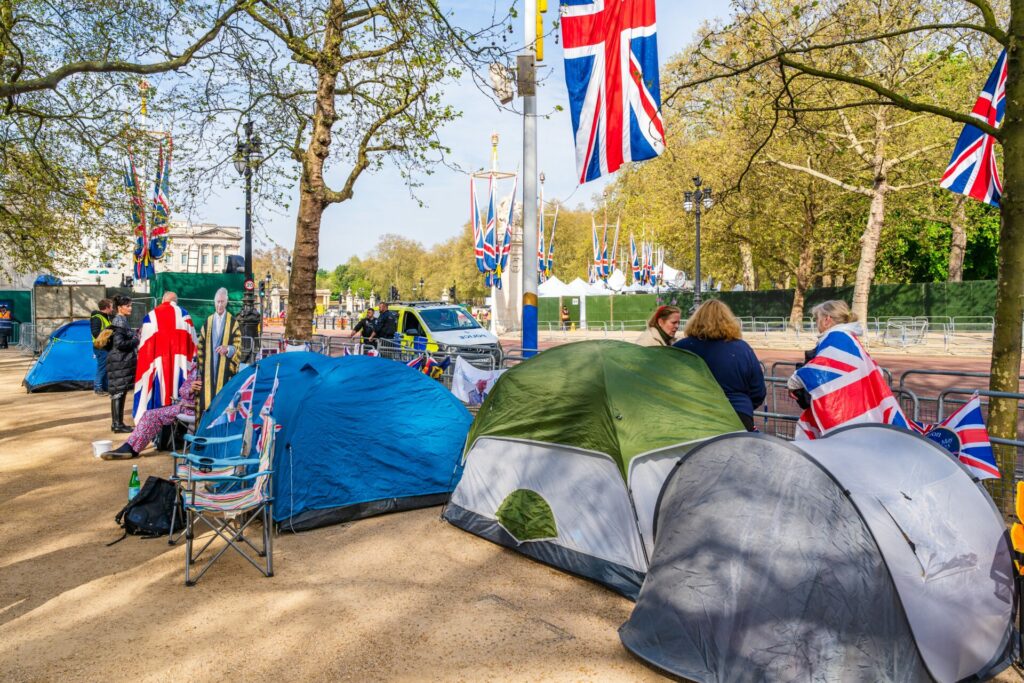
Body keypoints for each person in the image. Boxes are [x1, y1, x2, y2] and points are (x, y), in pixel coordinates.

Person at [786, 300, 905, 439]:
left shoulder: (836, 338)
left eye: (817, 319)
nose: (816, 323)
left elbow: (820, 369)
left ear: (827, 320)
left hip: (848, 408)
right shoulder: (848, 337)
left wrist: (794, 380)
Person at [674, 300, 766, 431]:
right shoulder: (742, 348)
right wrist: (744, 405)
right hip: (737, 413)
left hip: (694, 414)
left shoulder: (682, 347)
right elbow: (758, 391)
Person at [102, 361, 200, 460]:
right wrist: (191, 389)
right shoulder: (197, 368)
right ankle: (130, 447)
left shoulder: (213, 371)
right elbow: (182, 390)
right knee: (150, 415)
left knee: (151, 415)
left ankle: (131, 448)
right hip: (185, 406)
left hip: (196, 410)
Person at [133, 291, 197, 423]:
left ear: (163, 300)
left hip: (157, 364)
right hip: (180, 362)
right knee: (180, 389)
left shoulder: (151, 316)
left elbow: (144, 347)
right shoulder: (185, 315)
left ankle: (155, 421)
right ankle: (177, 422)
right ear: (176, 301)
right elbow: (193, 344)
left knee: (158, 390)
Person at [195, 287, 241, 416]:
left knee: (222, 405)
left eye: (222, 301)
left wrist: (229, 349)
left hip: (225, 373)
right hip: (207, 374)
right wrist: (199, 372)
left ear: (226, 302)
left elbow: (238, 346)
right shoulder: (208, 321)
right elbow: (200, 347)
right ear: (214, 302)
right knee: (206, 403)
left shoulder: (233, 322)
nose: (219, 305)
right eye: (217, 302)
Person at [106, 296, 138, 433]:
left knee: (119, 392)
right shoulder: (119, 322)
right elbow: (119, 343)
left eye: (130, 305)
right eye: (128, 306)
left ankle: (117, 423)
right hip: (120, 361)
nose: (130, 308)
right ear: (120, 308)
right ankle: (117, 424)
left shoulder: (121, 321)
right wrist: (136, 340)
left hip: (120, 361)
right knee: (118, 393)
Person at [90, 299, 114, 395]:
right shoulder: (97, 317)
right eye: (111, 307)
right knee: (102, 367)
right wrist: (109, 333)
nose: (112, 309)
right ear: (107, 307)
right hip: (100, 346)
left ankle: (105, 387)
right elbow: (95, 333)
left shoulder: (106, 317)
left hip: (105, 346)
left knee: (105, 367)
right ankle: (98, 388)